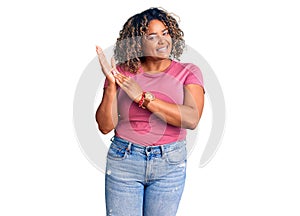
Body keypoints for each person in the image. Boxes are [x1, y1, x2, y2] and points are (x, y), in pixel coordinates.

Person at [95, 7, 204, 216]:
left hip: (169, 164)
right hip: (124, 160)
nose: (162, 41)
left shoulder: (188, 72)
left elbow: (191, 118)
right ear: (138, 42)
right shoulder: (122, 73)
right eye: (152, 36)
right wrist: (110, 84)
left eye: (165, 33)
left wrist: (143, 98)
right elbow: (105, 126)